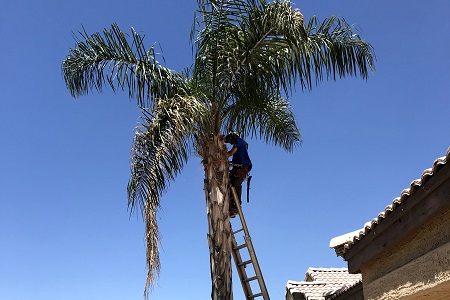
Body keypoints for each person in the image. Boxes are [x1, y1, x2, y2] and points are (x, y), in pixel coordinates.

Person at [224, 132, 252, 217]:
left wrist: (223, 155)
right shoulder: (238, 152)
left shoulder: (239, 141)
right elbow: (234, 161)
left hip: (244, 166)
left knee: (237, 180)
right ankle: (231, 204)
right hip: (237, 167)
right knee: (229, 181)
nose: (231, 142)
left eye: (230, 140)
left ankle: (237, 204)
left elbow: (231, 152)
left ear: (233, 137)